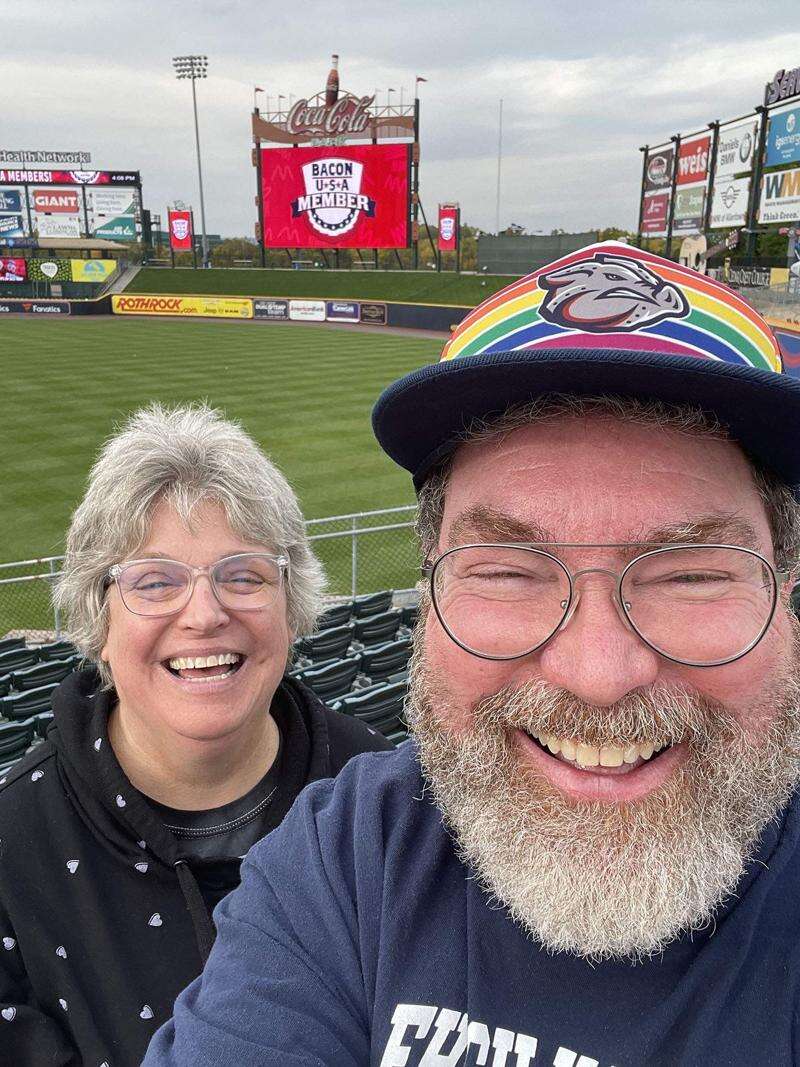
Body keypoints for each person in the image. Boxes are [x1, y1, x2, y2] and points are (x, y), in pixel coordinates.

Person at [144, 243, 800, 1066]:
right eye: (507, 571)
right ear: (428, 588)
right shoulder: (349, 855)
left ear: (786, 585)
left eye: (693, 572)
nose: (598, 672)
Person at [0, 404, 391, 1067]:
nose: (206, 614)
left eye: (244, 575)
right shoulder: (12, 845)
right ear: (100, 615)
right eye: (154, 582)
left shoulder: (390, 803)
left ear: (290, 604)